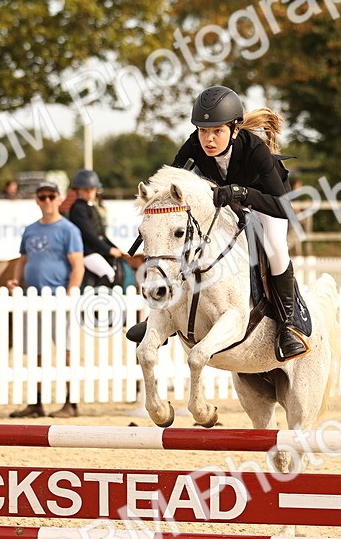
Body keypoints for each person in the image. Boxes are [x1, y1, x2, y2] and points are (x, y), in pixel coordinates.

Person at [127, 85, 309, 361]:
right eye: (203, 130)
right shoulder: (193, 144)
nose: (208, 139)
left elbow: (284, 207)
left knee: (274, 247)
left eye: (217, 131)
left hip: (264, 201)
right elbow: (170, 181)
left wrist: (243, 193)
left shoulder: (255, 151)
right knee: (189, 246)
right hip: (225, 201)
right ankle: (164, 316)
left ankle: (288, 325)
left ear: (234, 130)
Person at [7, 180, 85, 418]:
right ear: (37, 200)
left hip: (58, 297)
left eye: (51, 196)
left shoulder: (69, 230)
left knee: (66, 349)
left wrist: (71, 291)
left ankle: (70, 402)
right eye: (43, 197)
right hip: (34, 297)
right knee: (37, 351)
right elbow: (23, 260)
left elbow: (77, 265)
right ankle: (37, 401)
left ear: (59, 199)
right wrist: (16, 281)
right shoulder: (30, 230)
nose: (47, 201)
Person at [67, 168, 137, 288]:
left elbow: (101, 234)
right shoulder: (78, 209)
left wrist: (114, 248)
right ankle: (98, 299)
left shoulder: (92, 207)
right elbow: (89, 234)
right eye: (85, 190)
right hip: (86, 252)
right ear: (78, 190)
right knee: (108, 273)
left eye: (92, 189)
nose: (89, 193)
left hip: (96, 250)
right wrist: (108, 250)